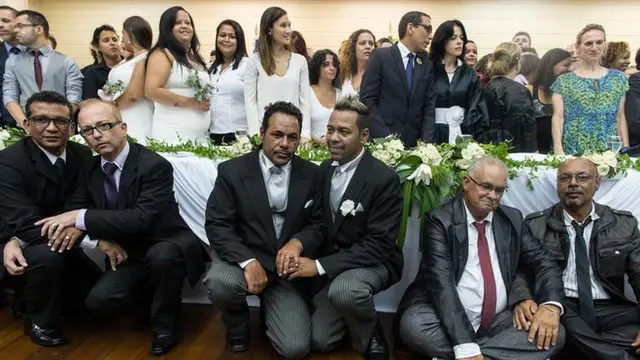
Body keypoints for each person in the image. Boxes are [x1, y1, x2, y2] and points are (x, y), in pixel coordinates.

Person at [35, 99, 208, 355]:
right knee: (98, 302)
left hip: (164, 242)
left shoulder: (154, 165)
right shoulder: (90, 168)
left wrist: (79, 218)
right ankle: (146, 300)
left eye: (104, 125)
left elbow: (140, 218)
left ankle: (165, 326)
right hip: (126, 250)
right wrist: (97, 237)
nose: (96, 135)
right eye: (88, 130)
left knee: (162, 257)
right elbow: (76, 208)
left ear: (123, 127)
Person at [396, 156, 566, 359]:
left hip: (498, 319)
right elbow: (441, 285)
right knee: (413, 325)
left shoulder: (512, 219)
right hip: (445, 315)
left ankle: (469, 355)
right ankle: (485, 352)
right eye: (486, 186)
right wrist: (466, 345)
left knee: (556, 334)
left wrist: (551, 305)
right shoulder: (439, 220)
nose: (493, 195)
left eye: (500, 190)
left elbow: (544, 262)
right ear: (466, 183)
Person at [285, 95, 404, 359]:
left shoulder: (384, 179)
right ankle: (349, 314)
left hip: (374, 262)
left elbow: (379, 245)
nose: (333, 138)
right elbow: (318, 222)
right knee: (320, 342)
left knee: (346, 291)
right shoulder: (325, 169)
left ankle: (371, 332)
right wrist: (298, 242)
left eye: (343, 131)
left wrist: (318, 266)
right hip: (335, 263)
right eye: (330, 129)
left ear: (363, 136)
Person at [204, 101, 319, 359]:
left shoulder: (312, 174)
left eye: (292, 137)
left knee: (295, 350)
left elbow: (320, 224)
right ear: (261, 134)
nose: (284, 144)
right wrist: (247, 260)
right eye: (277, 135)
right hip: (242, 261)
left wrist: (297, 242)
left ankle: (272, 309)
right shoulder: (232, 171)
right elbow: (217, 224)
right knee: (220, 282)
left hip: (286, 273)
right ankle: (237, 326)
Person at [0, 91, 101, 347]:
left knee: (91, 304)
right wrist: (82, 235)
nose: (52, 128)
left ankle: (27, 300)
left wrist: (77, 226)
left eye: (61, 121)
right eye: (41, 120)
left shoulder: (82, 155)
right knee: (47, 256)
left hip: (60, 235)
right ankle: (38, 321)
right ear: (26, 124)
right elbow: (23, 222)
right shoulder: (8, 162)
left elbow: (83, 201)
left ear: (72, 125)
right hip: (15, 239)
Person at [513, 157, 640, 360]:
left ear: (597, 182)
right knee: (559, 316)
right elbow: (520, 268)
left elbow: (638, 273)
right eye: (565, 178)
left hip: (608, 308)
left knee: (567, 337)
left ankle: (580, 347)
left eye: (582, 177)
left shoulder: (623, 224)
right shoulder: (536, 225)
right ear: (558, 184)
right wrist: (523, 297)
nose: (573, 183)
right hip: (562, 305)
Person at [360, 11, 435, 146]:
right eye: (427, 28)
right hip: (382, 143)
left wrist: (426, 143)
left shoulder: (426, 64)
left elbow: (428, 107)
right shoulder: (381, 57)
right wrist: (386, 138)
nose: (430, 36)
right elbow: (367, 100)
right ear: (410, 28)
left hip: (414, 146)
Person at [551, 24, 630, 154]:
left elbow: (620, 117)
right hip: (574, 150)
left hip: (609, 153)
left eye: (599, 42)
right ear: (578, 47)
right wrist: (558, 150)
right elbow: (558, 118)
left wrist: (625, 148)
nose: (594, 48)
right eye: (588, 43)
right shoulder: (563, 82)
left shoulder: (618, 78)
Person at [2, 10, 83, 129]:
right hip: (25, 128)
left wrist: (58, 121)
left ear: (39, 29)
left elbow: (74, 97)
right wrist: (25, 123)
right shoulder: (12, 62)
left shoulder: (67, 62)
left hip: (59, 127)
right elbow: (9, 95)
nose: (15, 31)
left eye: (20, 26)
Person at [145, 6, 210, 144]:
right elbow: (152, 91)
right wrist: (191, 103)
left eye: (188, 22)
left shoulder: (195, 58)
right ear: (167, 28)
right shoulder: (162, 54)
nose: (184, 26)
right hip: (173, 134)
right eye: (178, 23)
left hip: (201, 136)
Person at [244, 7, 310, 138]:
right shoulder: (254, 61)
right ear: (269, 29)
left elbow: (305, 101)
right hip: (265, 133)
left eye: (289, 25)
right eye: (283, 26)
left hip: (292, 132)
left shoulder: (300, 61)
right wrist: (255, 134)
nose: (289, 31)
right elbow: (250, 101)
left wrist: (305, 134)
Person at [429, 20, 488, 144]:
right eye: (453, 38)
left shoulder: (470, 75)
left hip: (463, 133)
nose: (459, 41)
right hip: (433, 134)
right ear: (442, 40)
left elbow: (476, 108)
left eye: (462, 38)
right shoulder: (429, 70)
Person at [479, 42, 538, 152]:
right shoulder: (519, 91)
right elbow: (525, 127)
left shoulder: (486, 87)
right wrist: (533, 151)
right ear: (517, 63)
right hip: (512, 151)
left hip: (488, 148)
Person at [108, 16, 154, 144]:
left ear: (131, 34)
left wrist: (112, 106)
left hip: (136, 113)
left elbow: (135, 94)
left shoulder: (145, 58)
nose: (122, 38)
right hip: (120, 114)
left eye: (123, 33)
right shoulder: (129, 59)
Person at [208, 19, 248, 145]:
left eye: (232, 37)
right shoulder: (209, 68)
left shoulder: (248, 65)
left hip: (239, 135)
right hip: (211, 133)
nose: (226, 40)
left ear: (239, 41)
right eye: (222, 35)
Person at [530, 48, 573, 153]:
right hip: (537, 152)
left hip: (564, 149)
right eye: (566, 65)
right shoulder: (530, 90)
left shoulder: (570, 92)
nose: (570, 69)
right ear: (549, 67)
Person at [309, 49, 342, 145]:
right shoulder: (307, 92)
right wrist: (317, 141)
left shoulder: (341, 95)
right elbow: (298, 124)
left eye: (334, 64)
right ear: (317, 68)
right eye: (326, 64)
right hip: (310, 149)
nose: (332, 68)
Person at [0, 5, 26, 126]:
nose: (0, 25)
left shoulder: (36, 52)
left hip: (34, 122)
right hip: (3, 125)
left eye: (5, 21)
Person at [82, 25, 121, 100]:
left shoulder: (130, 64)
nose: (112, 43)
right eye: (106, 40)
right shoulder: (93, 73)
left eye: (115, 39)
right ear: (98, 47)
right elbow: (91, 103)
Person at [339, 29, 376, 98]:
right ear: (353, 48)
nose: (368, 46)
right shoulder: (345, 74)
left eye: (371, 43)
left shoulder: (379, 74)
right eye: (362, 43)